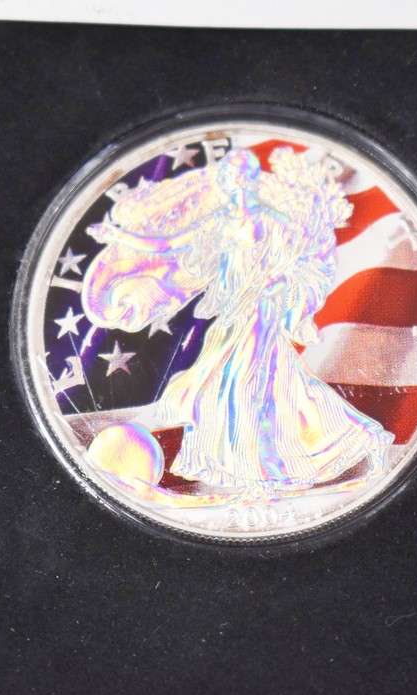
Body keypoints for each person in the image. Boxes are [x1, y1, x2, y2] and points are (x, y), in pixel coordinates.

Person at [82, 148, 392, 494]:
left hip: (261, 309)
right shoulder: (218, 222)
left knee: (242, 381)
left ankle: (262, 468)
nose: (237, 183)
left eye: (243, 176)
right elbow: (168, 243)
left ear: (251, 180)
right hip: (234, 312)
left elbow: (297, 262)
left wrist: (278, 284)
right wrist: (119, 236)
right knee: (263, 383)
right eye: (231, 176)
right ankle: (287, 456)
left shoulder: (273, 221)